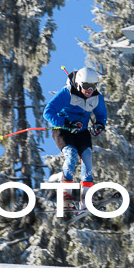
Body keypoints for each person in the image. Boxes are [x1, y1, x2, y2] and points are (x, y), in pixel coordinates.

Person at [43, 67, 107, 210]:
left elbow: (101, 116)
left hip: (81, 131)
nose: (89, 90)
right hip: (63, 130)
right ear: (78, 84)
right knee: (71, 155)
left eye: (93, 86)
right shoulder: (67, 93)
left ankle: (86, 198)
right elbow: (48, 112)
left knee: (87, 157)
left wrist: (99, 125)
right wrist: (65, 123)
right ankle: (65, 196)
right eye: (86, 86)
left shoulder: (96, 98)